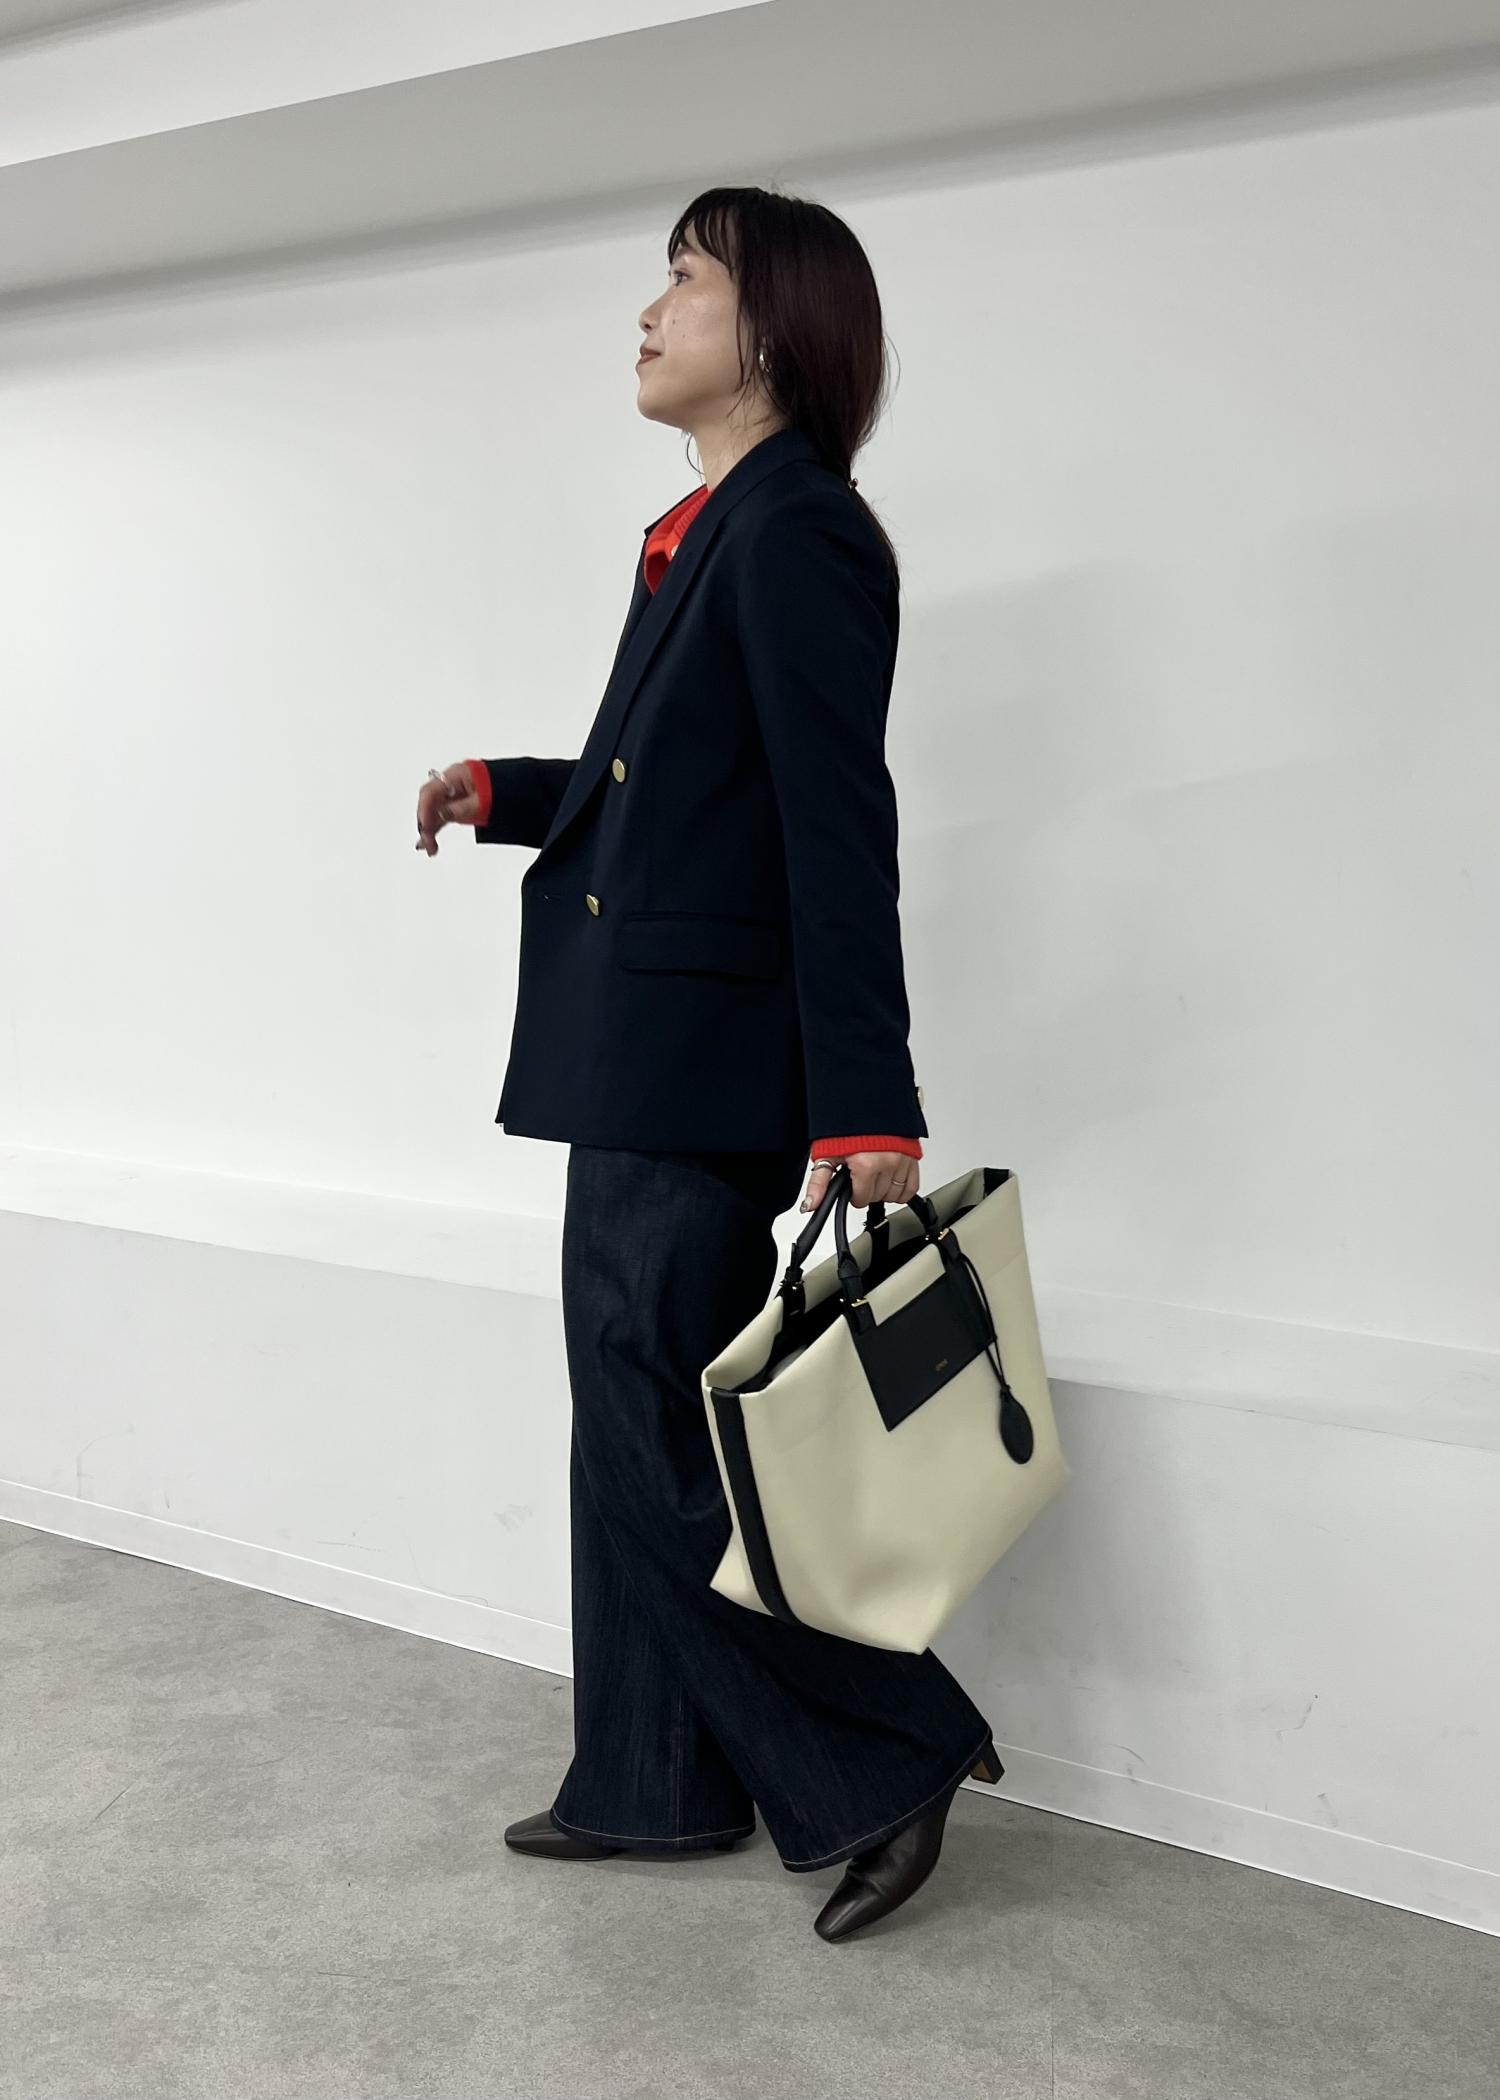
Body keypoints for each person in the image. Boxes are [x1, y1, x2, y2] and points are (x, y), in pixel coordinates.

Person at [414, 186, 1000, 1943]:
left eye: (684, 280)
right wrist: (508, 794)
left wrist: (868, 1098)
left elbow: (835, 825)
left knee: (654, 1431)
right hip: (649, 1049)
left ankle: (892, 1750)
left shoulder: (797, 529)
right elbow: (659, 788)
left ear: (772, 330)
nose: (648, 310)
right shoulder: (707, 532)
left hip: (700, 1065)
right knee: (633, 1423)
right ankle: (649, 1779)